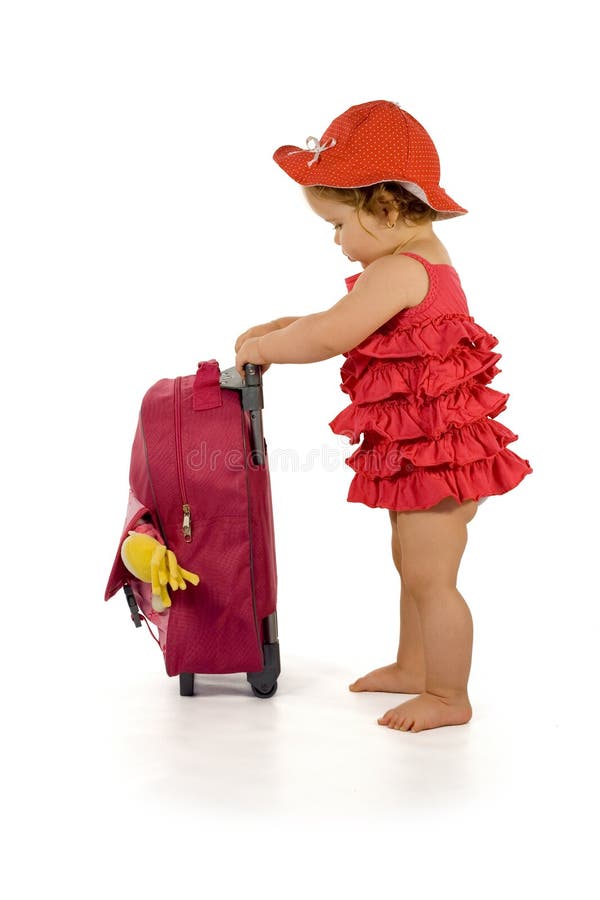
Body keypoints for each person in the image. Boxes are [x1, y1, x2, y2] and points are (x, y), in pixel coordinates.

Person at [234, 100, 533, 733]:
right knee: (411, 565)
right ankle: (412, 665)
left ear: (386, 209)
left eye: (338, 224)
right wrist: (285, 325)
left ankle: (450, 696)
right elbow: (340, 323)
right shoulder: (412, 258)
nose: (337, 241)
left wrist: (267, 348)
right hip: (428, 448)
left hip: (437, 454)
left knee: (433, 578)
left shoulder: (399, 269)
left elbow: (333, 335)